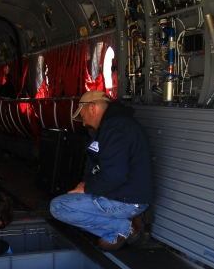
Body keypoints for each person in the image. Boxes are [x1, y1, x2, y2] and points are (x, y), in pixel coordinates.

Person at [49, 90, 153, 251]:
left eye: (82, 117)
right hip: (123, 195)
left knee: (59, 207)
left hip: (127, 200)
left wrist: (87, 188)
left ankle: (124, 228)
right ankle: (126, 222)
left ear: (92, 108)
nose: (83, 123)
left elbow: (115, 174)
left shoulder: (116, 128)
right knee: (73, 200)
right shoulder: (113, 126)